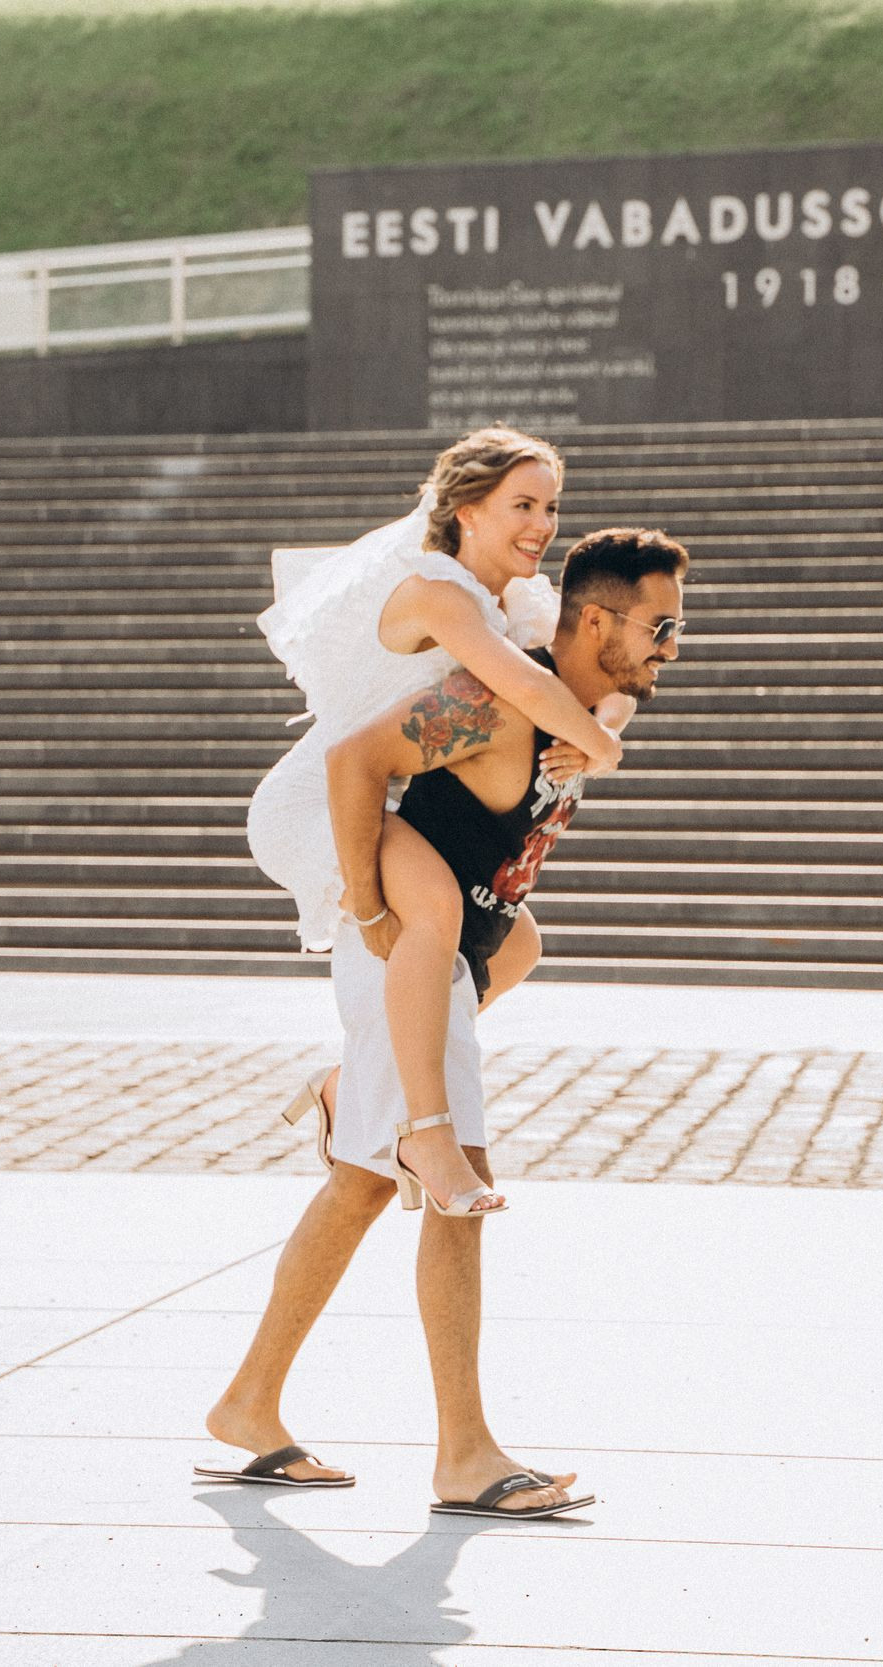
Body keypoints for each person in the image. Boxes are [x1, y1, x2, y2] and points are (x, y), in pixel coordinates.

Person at [203, 527, 690, 1515]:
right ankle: (464, 1453)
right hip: (406, 959)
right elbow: (357, 757)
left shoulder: (575, 703)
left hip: (461, 953)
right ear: (593, 617)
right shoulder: (490, 699)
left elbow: (607, 693)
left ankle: (249, 1403)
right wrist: (373, 910)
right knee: (457, 1177)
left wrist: (606, 705)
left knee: (360, 1183)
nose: (671, 644)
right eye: (659, 624)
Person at [248, 428, 633, 1217]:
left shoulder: (521, 601)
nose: (543, 524)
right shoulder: (436, 592)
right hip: (320, 797)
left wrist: (612, 715)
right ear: (467, 509)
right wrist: (597, 745)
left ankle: (354, 1085)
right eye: (522, 504)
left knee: (515, 943)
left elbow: (603, 666)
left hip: (391, 798)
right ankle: (423, 1132)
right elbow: (520, 683)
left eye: (551, 506)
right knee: (434, 905)